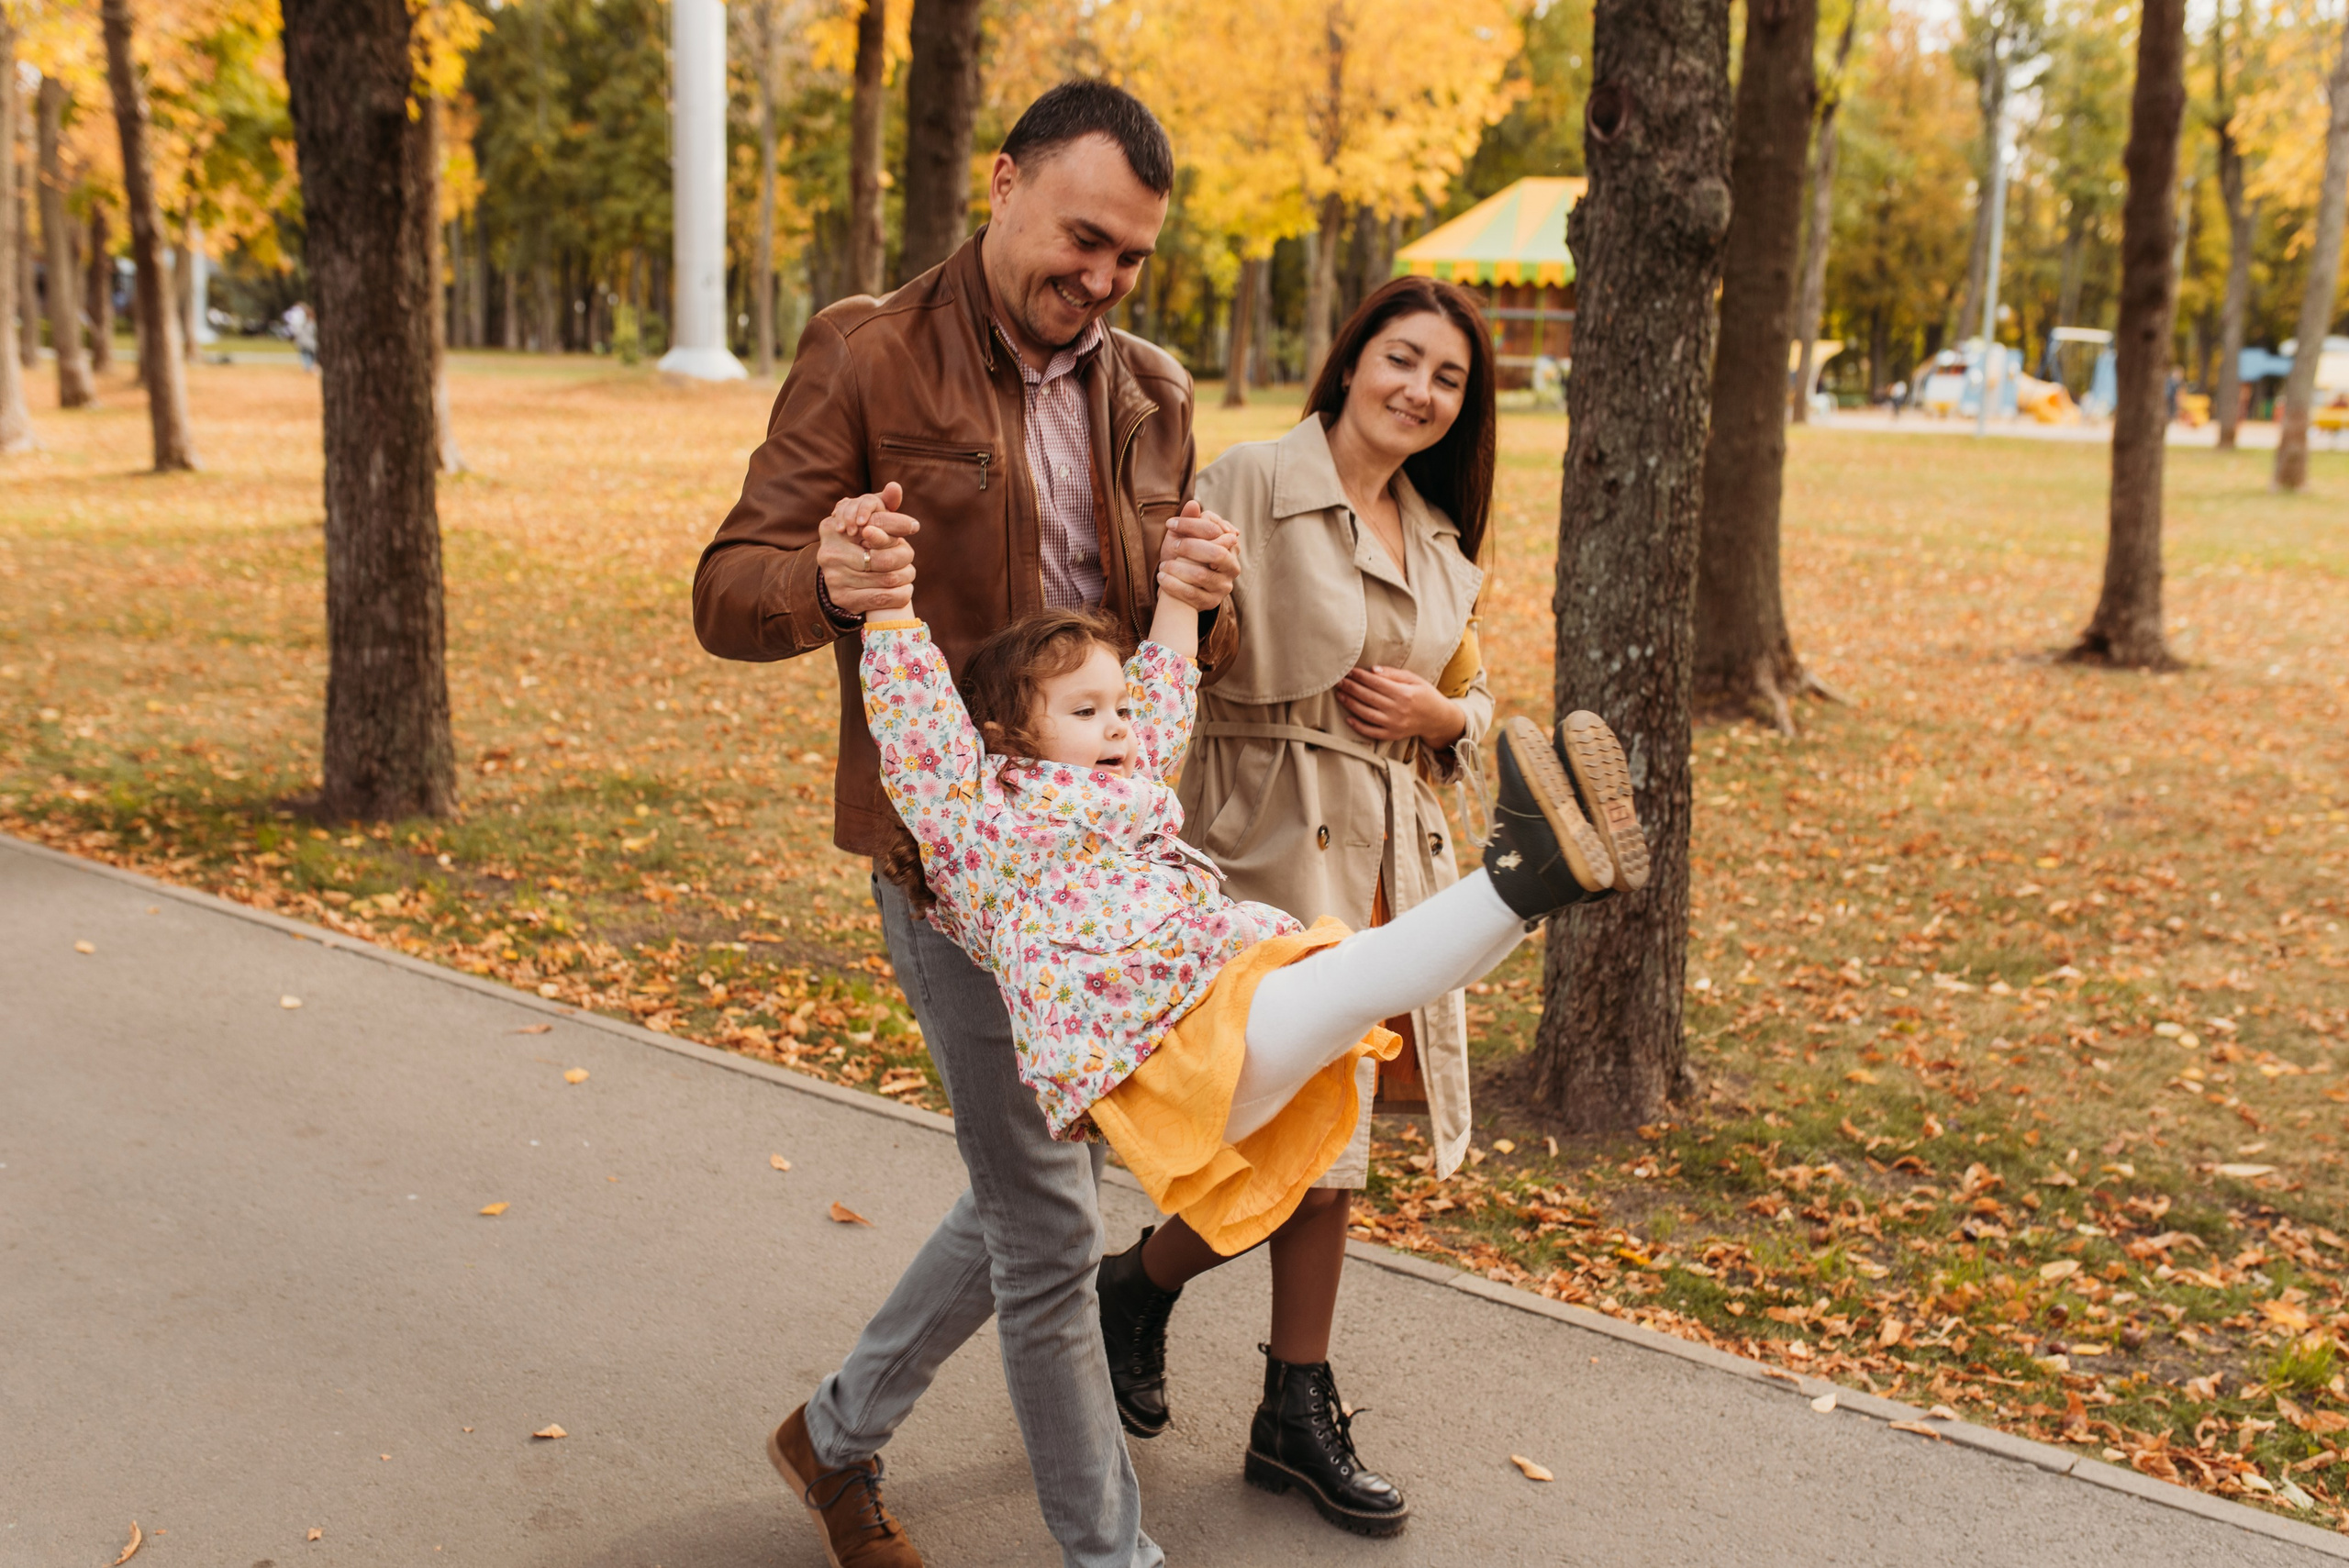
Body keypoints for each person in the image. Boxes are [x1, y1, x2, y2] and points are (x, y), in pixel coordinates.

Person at [692, 82, 1241, 1568]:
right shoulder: (871, 351)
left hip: (1100, 880)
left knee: (1031, 1190)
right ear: (999, 182)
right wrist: (831, 579)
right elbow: (727, 589)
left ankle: (839, 1424)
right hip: (953, 872)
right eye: (1081, 239)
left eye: (1130, 257)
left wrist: (1204, 588)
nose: (1103, 280)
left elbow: (1155, 656)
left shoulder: (1152, 392)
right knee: (1055, 1229)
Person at [855, 563, 1637, 1538]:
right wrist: (889, 605)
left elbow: (1168, 684)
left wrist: (1181, 595)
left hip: (1215, 998)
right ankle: (1520, 874)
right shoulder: (981, 821)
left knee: (1367, 975)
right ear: (1008, 735)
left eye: (1117, 711)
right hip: (1157, 1056)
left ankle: (1536, 887)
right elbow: (918, 728)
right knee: (1354, 974)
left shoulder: (1131, 783)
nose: (1116, 726)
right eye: (1085, 709)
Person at [1089, 275, 1632, 1539]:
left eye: (1448, 379)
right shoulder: (1251, 481)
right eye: (1402, 360)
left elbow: (1476, 697)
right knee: (1289, 1134)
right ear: (1348, 362)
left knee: (1333, 1147)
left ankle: (1225, 1351)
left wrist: (1448, 720)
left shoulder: (1440, 538)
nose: (1421, 391)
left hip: (1389, 853)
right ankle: (1231, 1355)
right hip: (1261, 836)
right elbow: (1168, 637)